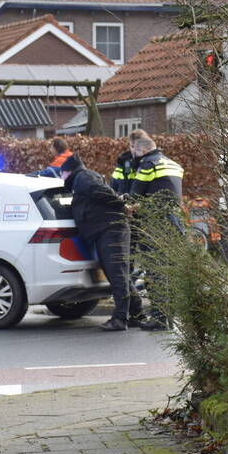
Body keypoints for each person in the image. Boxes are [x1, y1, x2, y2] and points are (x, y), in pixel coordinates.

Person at [60, 153, 144, 331]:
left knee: (117, 275)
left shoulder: (83, 177)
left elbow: (102, 192)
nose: (61, 177)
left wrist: (122, 205)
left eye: (62, 173)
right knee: (120, 274)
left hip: (110, 230)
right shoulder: (80, 180)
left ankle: (120, 319)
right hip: (106, 230)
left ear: (68, 171)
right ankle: (137, 315)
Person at [127, 131, 185, 331]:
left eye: (131, 148)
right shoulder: (173, 164)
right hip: (175, 224)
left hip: (155, 225)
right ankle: (167, 317)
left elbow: (134, 198)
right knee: (167, 272)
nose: (131, 152)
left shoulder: (148, 165)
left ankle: (159, 319)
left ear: (137, 146)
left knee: (155, 272)